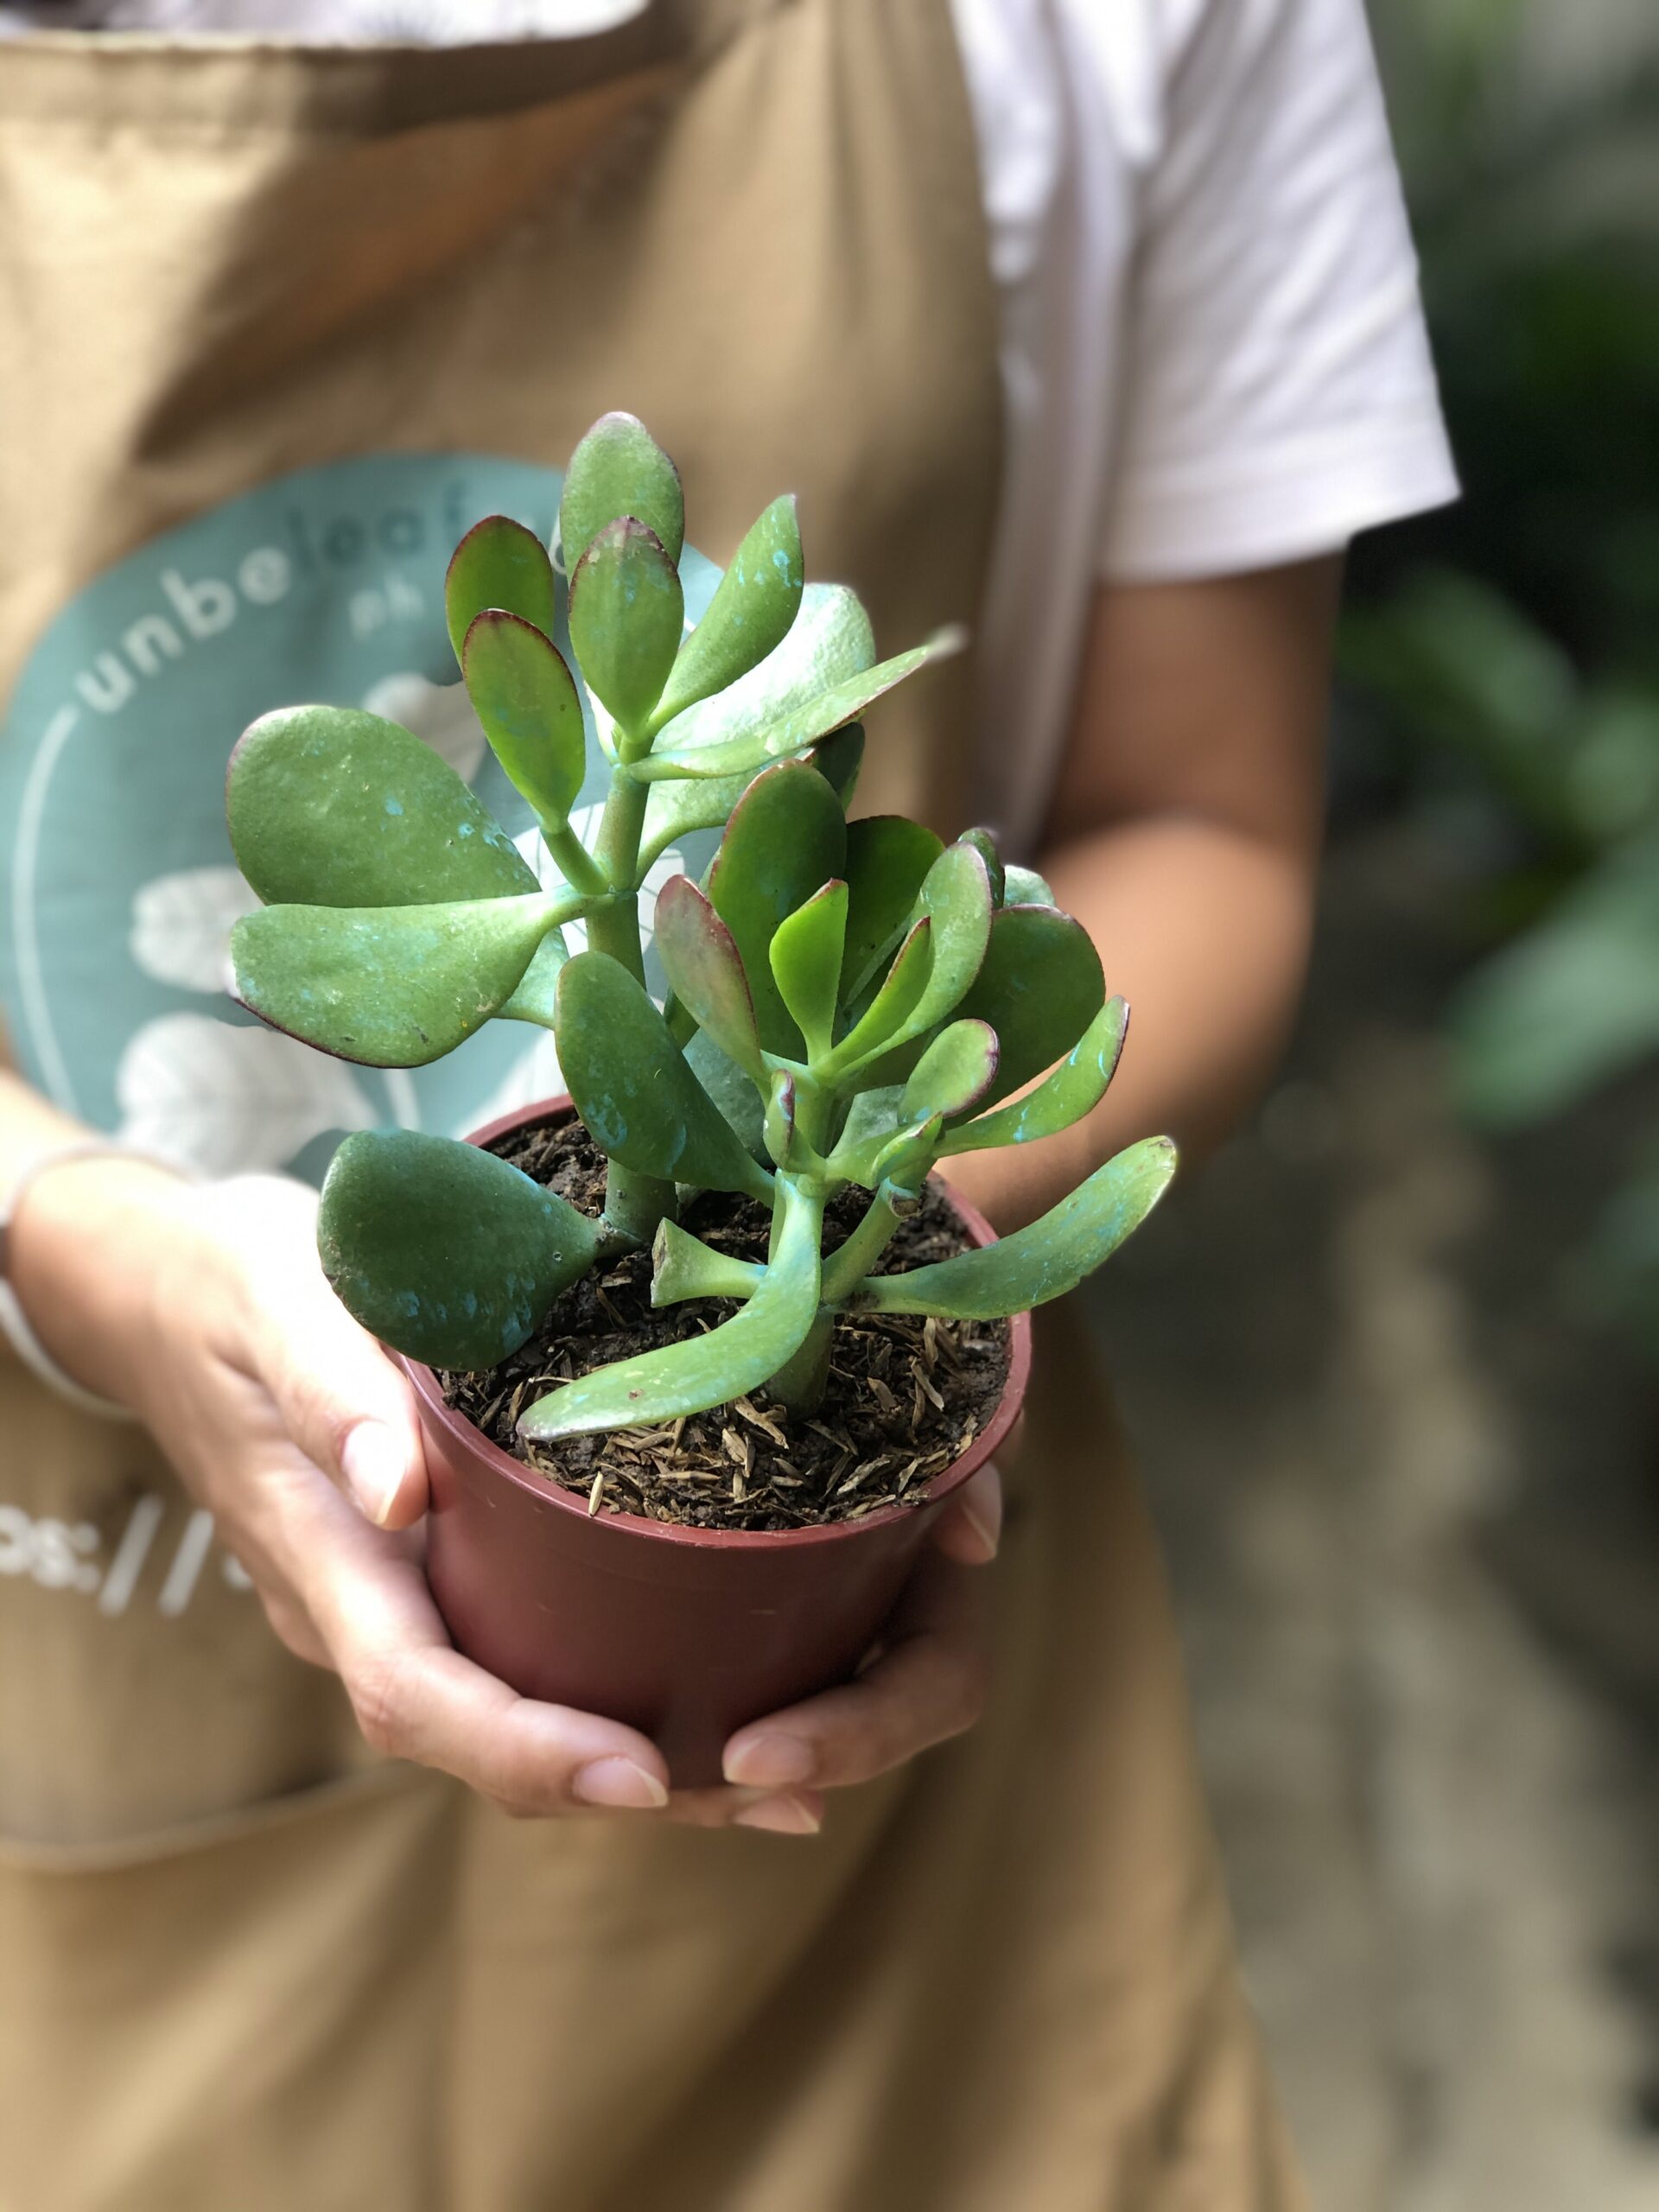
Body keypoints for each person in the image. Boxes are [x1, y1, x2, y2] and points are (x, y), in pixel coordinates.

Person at [0, 1, 1455, 2205]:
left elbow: (1206, 824)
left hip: (903, 1919)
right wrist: (76, 1231)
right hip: (83, 1719)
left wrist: (873, 1229)